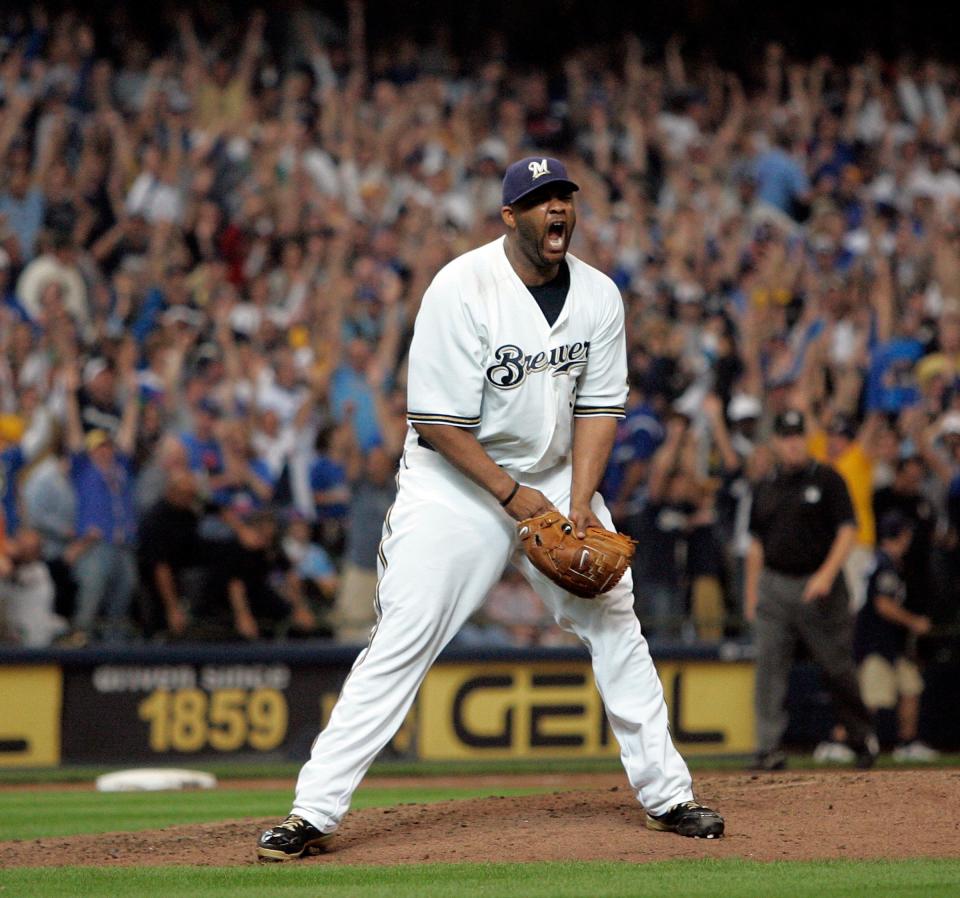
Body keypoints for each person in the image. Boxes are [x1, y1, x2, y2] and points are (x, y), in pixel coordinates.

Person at [257, 156, 723, 861]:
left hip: (557, 474)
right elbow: (437, 421)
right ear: (511, 217)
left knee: (616, 618)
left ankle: (668, 797)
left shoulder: (598, 296)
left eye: (563, 196)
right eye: (539, 200)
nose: (555, 209)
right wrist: (514, 498)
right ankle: (313, 812)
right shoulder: (461, 287)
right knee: (404, 636)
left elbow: (599, 409)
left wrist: (578, 509)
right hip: (458, 483)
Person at [746, 409, 878, 770]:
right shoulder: (766, 485)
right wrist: (752, 593)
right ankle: (768, 747)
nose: (793, 443)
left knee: (836, 666)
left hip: (820, 586)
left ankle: (860, 736)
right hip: (775, 585)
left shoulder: (828, 479)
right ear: (775, 442)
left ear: (807, 438)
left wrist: (826, 574)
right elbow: (756, 544)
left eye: (798, 436)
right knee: (769, 667)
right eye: (786, 437)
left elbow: (847, 530)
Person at [854, 512, 938, 762]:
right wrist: (914, 621)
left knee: (910, 687)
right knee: (871, 697)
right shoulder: (883, 563)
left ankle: (907, 742)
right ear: (901, 536)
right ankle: (852, 741)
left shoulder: (886, 561)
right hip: (876, 643)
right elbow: (883, 604)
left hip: (890, 644)